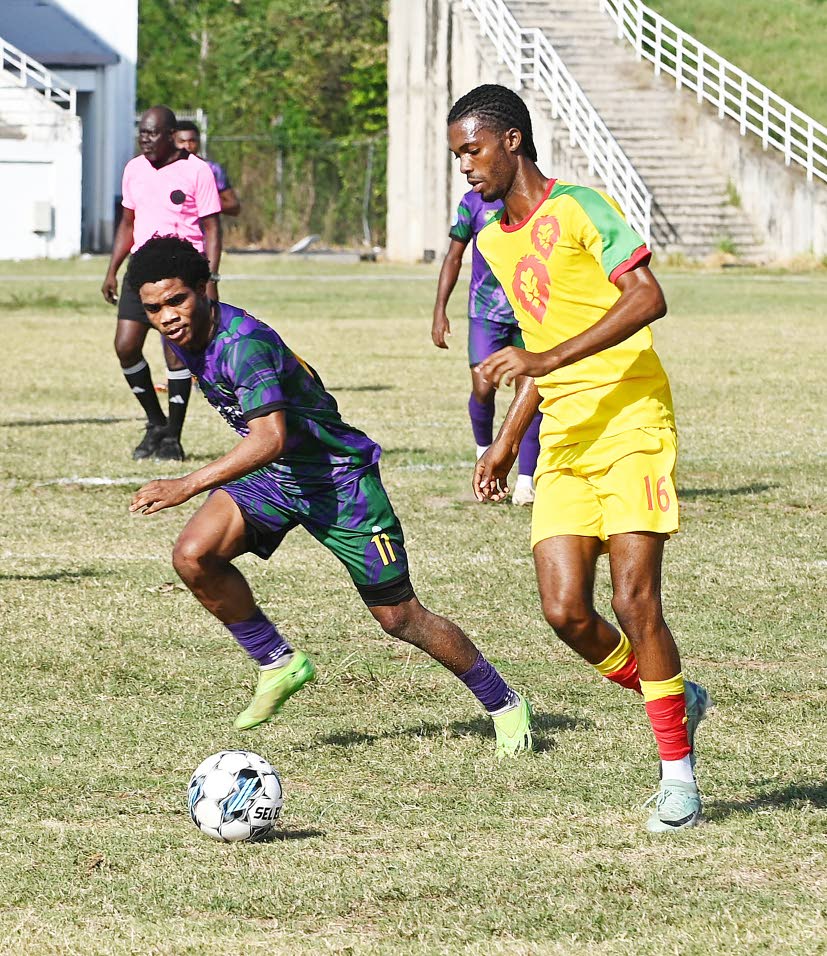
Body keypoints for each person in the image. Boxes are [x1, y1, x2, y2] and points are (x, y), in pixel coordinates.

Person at [125, 236, 532, 758]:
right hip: (277, 477)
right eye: (154, 308)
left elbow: (270, 438)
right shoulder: (185, 336)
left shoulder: (242, 344)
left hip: (340, 483)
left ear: (204, 288)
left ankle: (504, 702)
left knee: (399, 617)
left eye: (177, 300)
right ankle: (277, 662)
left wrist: (186, 484)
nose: (167, 317)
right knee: (193, 554)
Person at [447, 84, 711, 831]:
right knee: (565, 611)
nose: (464, 167)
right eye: (456, 155)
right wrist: (506, 440)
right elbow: (544, 345)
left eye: (472, 150)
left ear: (511, 141)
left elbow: (647, 296)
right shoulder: (495, 241)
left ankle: (678, 780)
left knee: (634, 601)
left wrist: (545, 358)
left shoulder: (581, 207)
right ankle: (677, 697)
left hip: (631, 422)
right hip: (564, 435)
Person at [101, 106, 222, 462]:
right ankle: (156, 423)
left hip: (181, 271)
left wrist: (210, 277)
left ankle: (173, 438)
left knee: (175, 352)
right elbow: (128, 222)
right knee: (125, 346)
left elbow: (213, 228)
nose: (145, 139)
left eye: (152, 133)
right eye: (142, 133)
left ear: (170, 135)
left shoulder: (197, 170)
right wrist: (112, 269)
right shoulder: (134, 169)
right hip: (141, 270)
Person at [432, 190, 541, 505]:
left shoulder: (534, 199)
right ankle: (484, 456)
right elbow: (454, 256)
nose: (470, 169)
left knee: (529, 395)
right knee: (482, 389)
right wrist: (440, 310)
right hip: (485, 311)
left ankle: (525, 482)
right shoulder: (472, 202)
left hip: (529, 310)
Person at [174, 121, 241, 217]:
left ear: (199, 143)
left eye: (192, 141)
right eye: (182, 141)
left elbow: (233, 206)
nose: (187, 146)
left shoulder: (211, 169)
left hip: (202, 226)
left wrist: (205, 201)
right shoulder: (162, 170)